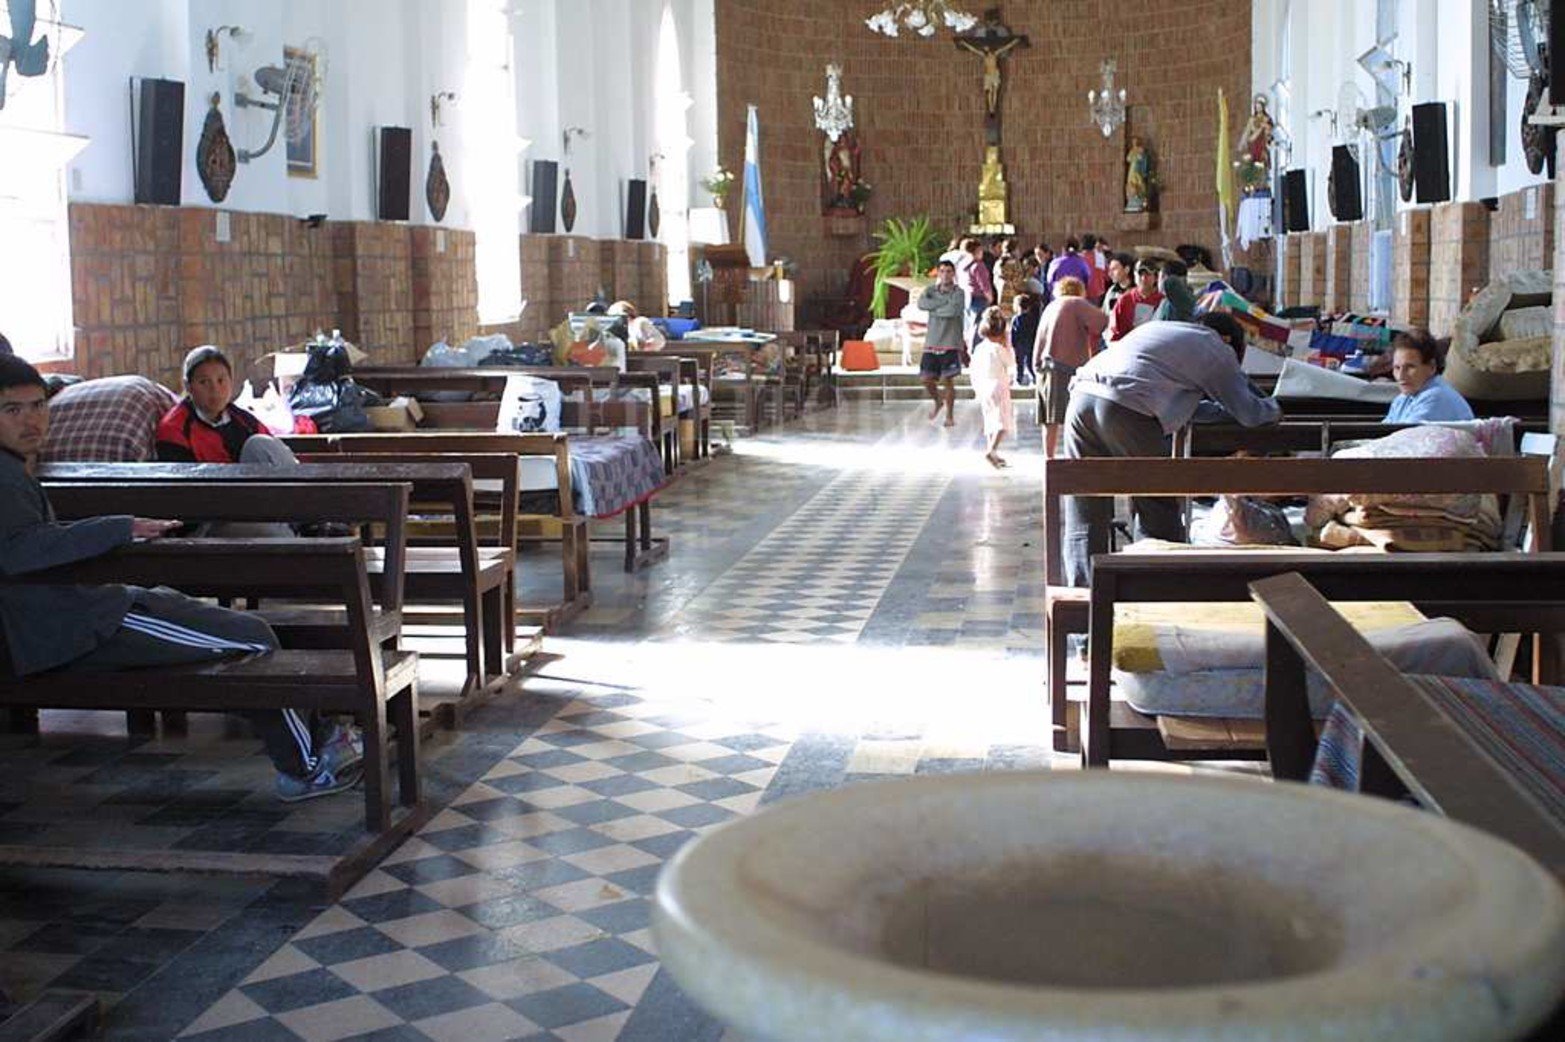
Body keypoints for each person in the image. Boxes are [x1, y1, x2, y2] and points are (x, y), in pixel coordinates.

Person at [0, 355, 360, 801]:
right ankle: (306, 768)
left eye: (38, 406)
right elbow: (17, 552)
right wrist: (118, 526)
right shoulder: (6, 477)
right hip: (73, 627)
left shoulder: (15, 469)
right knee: (252, 638)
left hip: (85, 609)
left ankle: (321, 737)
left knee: (217, 621)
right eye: (12, 410)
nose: (31, 420)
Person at [1062, 313, 1281, 586]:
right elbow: (1250, 414)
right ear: (1232, 345)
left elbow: (1188, 407)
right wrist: (1278, 405)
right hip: (1127, 408)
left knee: (1086, 510)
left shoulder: (1163, 330)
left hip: (1081, 401)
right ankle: (1159, 592)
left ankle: (1084, 605)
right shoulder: (1217, 348)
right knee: (1157, 504)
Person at [156, 346, 298, 465]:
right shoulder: (175, 429)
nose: (215, 389)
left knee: (260, 444)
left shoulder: (243, 420)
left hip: (252, 494)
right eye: (204, 382)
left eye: (221, 380)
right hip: (207, 495)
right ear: (188, 387)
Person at [1033, 276, 1109, 458]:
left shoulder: (1051, 306)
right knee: (1071, 415)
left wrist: (1036, 365)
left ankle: (1048, 457)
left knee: (1050, 419)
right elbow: (1102, 322)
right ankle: (1072, 456)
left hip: (1046, 367)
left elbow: (1039, 338)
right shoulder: (1076, 303)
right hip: (1067, 368)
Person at [1383, 329, 1474, 422]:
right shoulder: (1402, 399)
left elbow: (1403, 434)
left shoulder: (1435, 398)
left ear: (1431, 367)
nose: (1401, 376)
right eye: (1397, 368)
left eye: (1410, 367)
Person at [917, 260, 965, 427]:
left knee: (947, 379)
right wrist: (942, 304)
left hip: (950, 341)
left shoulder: (959, 293)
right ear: (938, 273)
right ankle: (938, 401)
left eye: (949, 271)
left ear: (953, 273)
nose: (945, 274)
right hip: (932, 340)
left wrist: (935, 308)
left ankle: (949, 416)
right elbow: (922, 304)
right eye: (942, 271)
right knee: (925, 378)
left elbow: (953, 311)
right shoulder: (930, 290)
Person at [970, 306, 1016, 469]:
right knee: (1003, 421)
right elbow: (1010, 362)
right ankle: (992, 449)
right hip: (998, 385)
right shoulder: (999, 349)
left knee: (990, 419)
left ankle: (992, 451)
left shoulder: (980, 348)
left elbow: (973, 368)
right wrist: (1008, 345)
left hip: (984, 385)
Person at [1109, 260, 1164, 341]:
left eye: (1148, 274)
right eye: (1140, 274)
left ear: (1155, 277)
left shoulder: (1163, 302)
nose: (1143, 278)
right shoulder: (1125, 300)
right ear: (1135, 276)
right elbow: (1115, 332)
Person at [957, 238, 994, 349]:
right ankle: (975, 349)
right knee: (979, 326)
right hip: (979, 298)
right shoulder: (978, 266)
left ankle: (968, 348)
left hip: (968, 298)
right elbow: (984, 284)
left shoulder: (963, 265)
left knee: (970, 325)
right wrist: (990, 297)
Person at [1010, 292, 1041, 387]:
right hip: (1031, 343)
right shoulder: (1033, 318)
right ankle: (1034, 378)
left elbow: (1013, 332)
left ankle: (1019, 378)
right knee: (1030, 362)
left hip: (1019, 344)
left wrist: (1013, 344)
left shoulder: (1016, 319)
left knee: (1019, 363)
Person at [1102, 252, 1136, 317]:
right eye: (1110, 270)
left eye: (1114, 269)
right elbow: (1105, 313)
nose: (1110, 274)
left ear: (1126, 269)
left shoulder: (1138, 293)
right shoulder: (1112, 291)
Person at [1125, 137, 1151, 211]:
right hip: (1132, 168)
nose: (1135, 143)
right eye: (1133, 141)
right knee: (1131, 181)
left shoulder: (1140, 149)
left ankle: (1139, 197)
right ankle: (1132, 197)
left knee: (1139, 182)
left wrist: (1137, 156)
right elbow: (1128, 159)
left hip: (1138, 168)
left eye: (1136, 141)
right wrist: (1134, 156)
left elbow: (1143, 158)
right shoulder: (1132, 150)